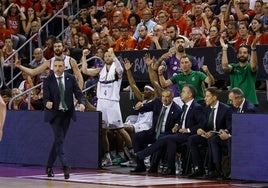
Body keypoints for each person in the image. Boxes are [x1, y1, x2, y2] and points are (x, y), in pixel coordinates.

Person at [132, 85, 206, 175]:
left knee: (165, 138)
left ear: (189, 95)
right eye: (163, 96)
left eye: (183, 92)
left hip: (185, 134)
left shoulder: (192, 107)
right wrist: (177, 125)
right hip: (161, 132)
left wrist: (188, 129)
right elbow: (182, 121)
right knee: (140, 137)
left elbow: (202, 123)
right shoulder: (184, 106)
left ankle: (141, 155)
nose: (181, 93)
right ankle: (170, 168)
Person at [81, 48, 133, 167]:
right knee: (103, 131)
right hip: (101, 103)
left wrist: (114, 54)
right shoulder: (100, 70)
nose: (107, 58)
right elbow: (84, 70)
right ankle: (107, 157)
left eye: (109, 56)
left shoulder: (117, 70)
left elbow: (120, 68)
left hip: (112, 103)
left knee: (120, 128)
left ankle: (132, 155)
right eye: (106, 56)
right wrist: (84, 57)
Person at [43, 58, 85, 180]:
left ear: (64, 67)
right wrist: (47, 103)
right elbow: (45, 97)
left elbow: (78, 93)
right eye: (55, 66)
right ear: (52, 67)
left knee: (58, 140)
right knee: (59, 140)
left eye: (60, 66)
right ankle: (65, 166)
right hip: (54, 114)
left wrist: (81, 102)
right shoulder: (48, 80)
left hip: (67, 114)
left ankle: (49, 167)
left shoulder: (70, 78)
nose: (57, 68)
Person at [130, 88, 182, 173]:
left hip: (166, 134)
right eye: (163, 96)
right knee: (136, 136)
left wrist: (176, 126)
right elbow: (145, 108)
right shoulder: (157, 102)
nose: (164, 99)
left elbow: (178, 122)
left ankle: (151, 164)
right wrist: (138, 107)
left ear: (172, 98)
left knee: (161, 138)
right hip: (154, 132)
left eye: (167, 97)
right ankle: (140, 165)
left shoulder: (177, 109)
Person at [188, 87, 232, 177]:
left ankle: (215, 169)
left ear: (214, 97)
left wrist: (217, 132)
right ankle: (199, 168)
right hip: (208, 135)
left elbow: (229, 126)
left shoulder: (226, 109)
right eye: (205, 96)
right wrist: (200, 130)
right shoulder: (206, 108)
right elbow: (204, 124)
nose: (205, 98)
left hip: (219, 136)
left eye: (207, 96)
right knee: (192, 139)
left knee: (212, 140)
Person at [15, 40, 84, 89]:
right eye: (55, 47)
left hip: (68, 91)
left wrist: (79, 92)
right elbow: (33, 72)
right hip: (54, 93)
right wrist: (20, 66)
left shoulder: (70, 60)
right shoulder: (49, 62)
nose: (57, 48)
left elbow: (79, 78)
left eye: (59, 46)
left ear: (63, 48)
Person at [220, 36, 259, 105]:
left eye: (245, 53)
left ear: (249, 56)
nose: (242, 55)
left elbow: (253, 66)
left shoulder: (250, 67)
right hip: (233, 102)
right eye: (240, 53)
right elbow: (225, 66)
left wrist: (253, 49)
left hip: (249, 102)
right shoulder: (234, 67)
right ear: (237, 55)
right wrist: (224, 49)